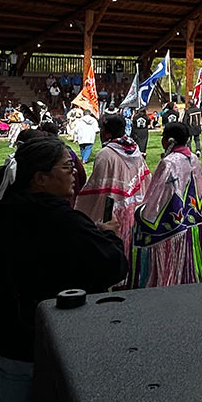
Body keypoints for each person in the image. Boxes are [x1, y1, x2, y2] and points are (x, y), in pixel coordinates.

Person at [0, 137, 127, 402]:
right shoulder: (60, 220)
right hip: (52, 341)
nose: (74, 173)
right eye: (67, 167)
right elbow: (112, 265)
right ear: (41, 179)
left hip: (9, 337)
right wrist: (108, 237)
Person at [130, 122, 202, 287]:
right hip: (192, 222)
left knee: (171, 264)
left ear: (169, 141)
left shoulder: (169, 162)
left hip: (173, 229)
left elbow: (157, 194)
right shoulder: (193, 158)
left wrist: (141, 213)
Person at [74, 114, 151, 286]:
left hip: (113, 212)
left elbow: (97, 189)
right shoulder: (134, 149)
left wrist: (81, 208)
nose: (100, 132)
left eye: (101, 129)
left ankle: (120, 281)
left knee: (117, 247)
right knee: (131, 250)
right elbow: (145, 179)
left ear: (107, 133)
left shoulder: (106, 154)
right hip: (134, 206)